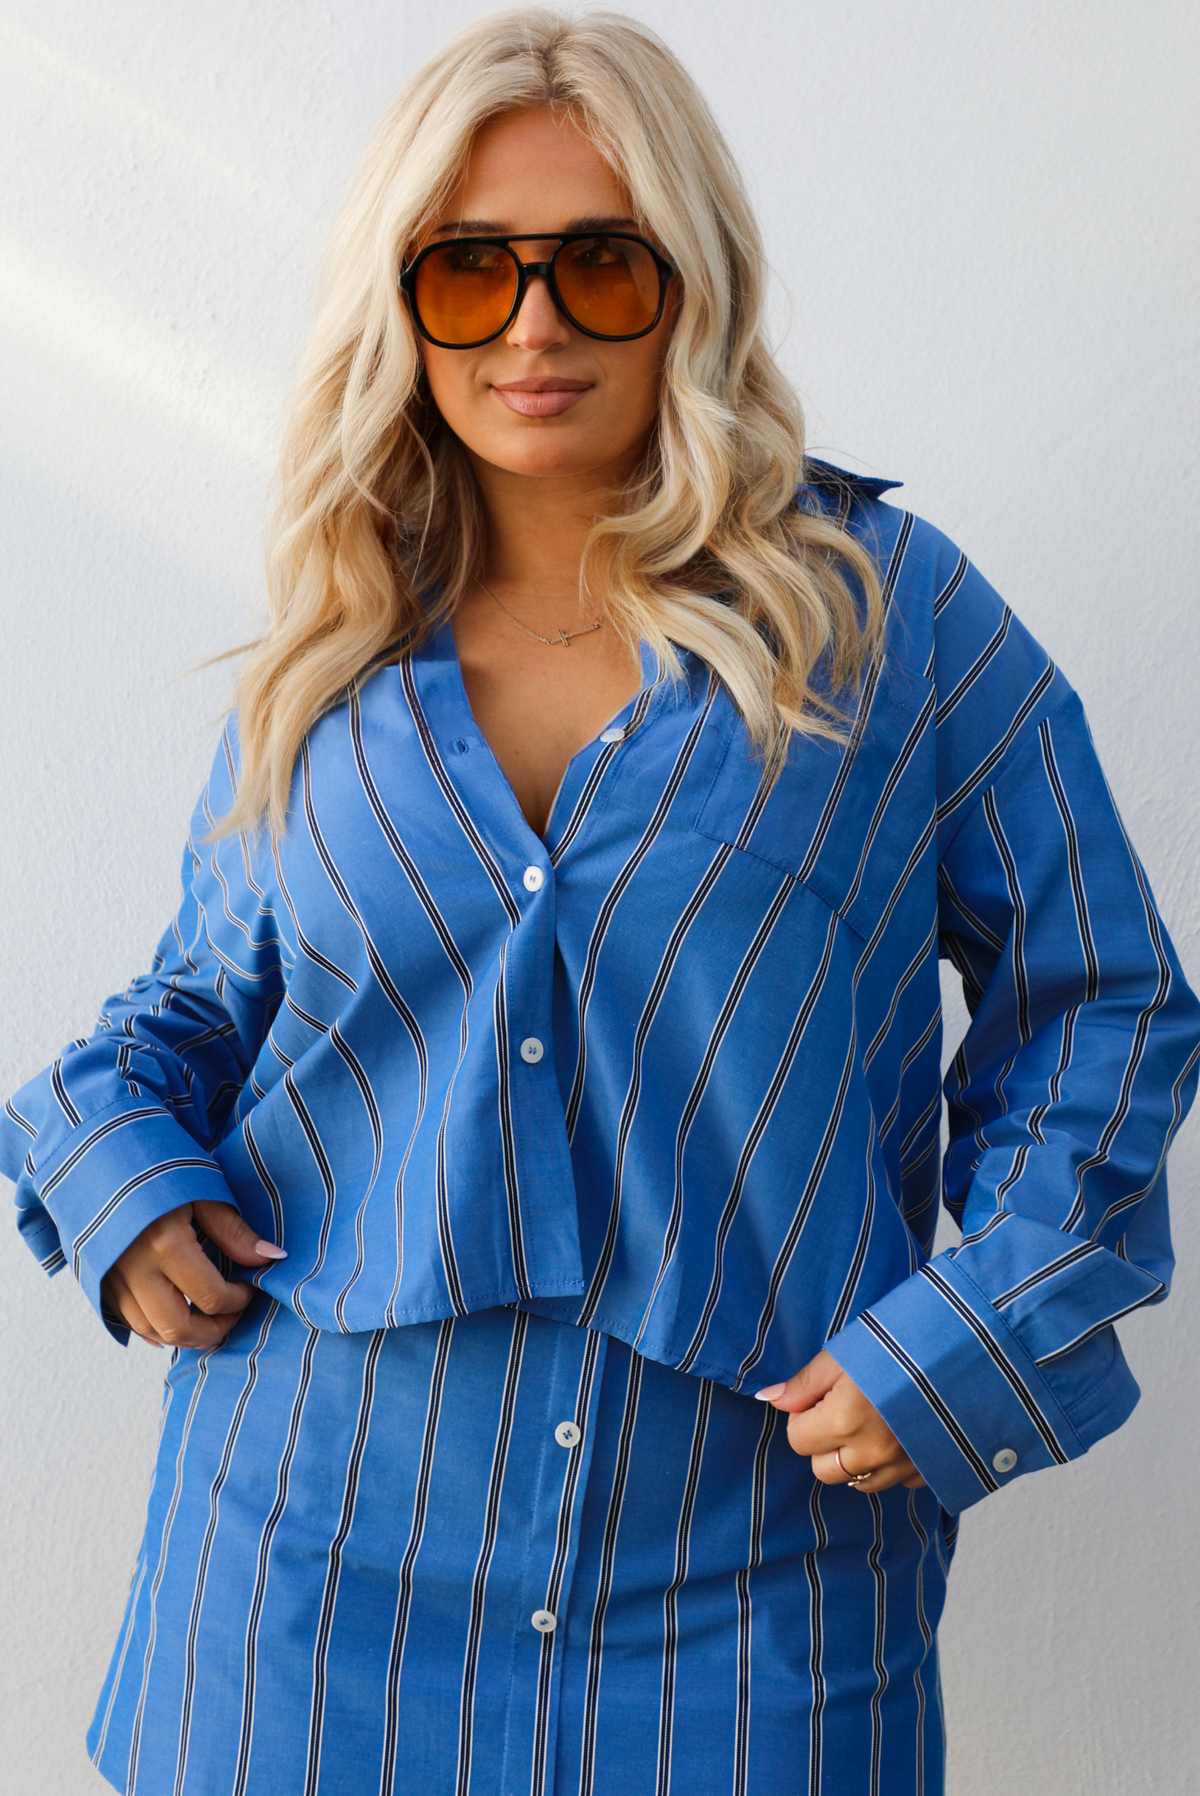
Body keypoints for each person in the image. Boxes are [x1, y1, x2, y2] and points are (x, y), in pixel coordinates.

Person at [3, 9, 1197, 1794]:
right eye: (468, 269)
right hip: (302, 1579)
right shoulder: (332, 665)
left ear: (689, 284)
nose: (533, 324)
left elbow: (1103, 993)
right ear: (402, 303)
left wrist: (985, 1325)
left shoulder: (887, 620)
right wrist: (119, 1187)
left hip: (757, 1583)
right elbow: (190, 1017)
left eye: (600, 263)